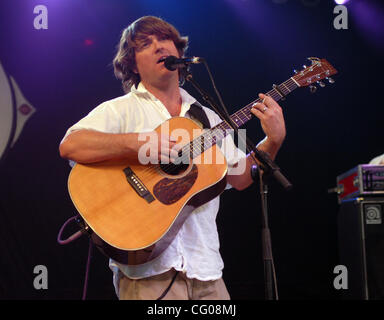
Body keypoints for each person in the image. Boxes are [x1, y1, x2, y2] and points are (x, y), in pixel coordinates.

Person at [59, 16, 286, 300]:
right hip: (146, 276)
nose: (157, 47)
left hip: (207, 271)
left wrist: (272, 141)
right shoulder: (120, 110)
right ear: (132, 63)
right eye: (145, 44)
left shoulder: (212, 117)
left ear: (180, 53)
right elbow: (71, 145)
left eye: (163, 39)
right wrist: (139, 142)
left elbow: (241, 176)